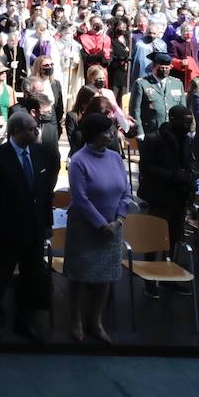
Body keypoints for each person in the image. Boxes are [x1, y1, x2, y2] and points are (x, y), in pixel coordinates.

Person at [0, 111, 52, 344]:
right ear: (16, 131)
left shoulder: (42, 154)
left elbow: (44, 193)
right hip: (6, 231)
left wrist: (47, 223)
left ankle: (24, 322)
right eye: (31, 128)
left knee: (31, 279)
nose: (36, 131)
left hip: (34, 230)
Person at [64, 113, 132, 344]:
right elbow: (81, 198)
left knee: (105, 276)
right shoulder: (79, 161)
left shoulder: (114, 157)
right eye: (108, 131)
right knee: (79, 275)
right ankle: (75, 319)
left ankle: (95, 320)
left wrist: (119, 220)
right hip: (86, 227)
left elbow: (126, 192)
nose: (113, 134)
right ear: (94, 134)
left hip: (114, 226)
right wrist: (101, 225)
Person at [138, 105, 196, 253]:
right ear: (172, 120)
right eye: (184, 122)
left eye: (190, 123)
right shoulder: (154, 139)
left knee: (176, 237)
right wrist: (173, 175)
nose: (187, 126)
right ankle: (151, 267)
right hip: (160, 195)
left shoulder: (187, 140)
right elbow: (146, 167)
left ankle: (172, 262)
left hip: (180, 195)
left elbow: (189, 163)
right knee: (155, 236)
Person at [130, 51, 185, 143]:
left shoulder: (177, 84)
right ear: (153, 66)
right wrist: (140, 132)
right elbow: (135, 110)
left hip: (172, 133)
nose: (164, 70)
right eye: (161, 68)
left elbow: (182, 109)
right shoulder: (142, 84)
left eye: (167, 68)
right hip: (151, 132)